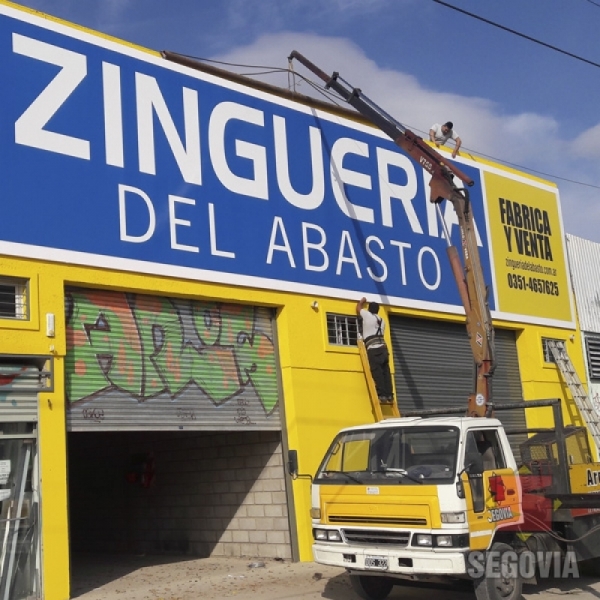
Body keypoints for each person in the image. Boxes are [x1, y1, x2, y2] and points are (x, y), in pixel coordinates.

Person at [356, 297, 394, 404]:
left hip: (374, 349)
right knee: (386, 372)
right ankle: (390, 396)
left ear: (369, 309)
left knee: (377, 372)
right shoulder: (382, 321)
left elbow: (358, 308)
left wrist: (362, 301)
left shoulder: (368, 316)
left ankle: (382, 395)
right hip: (383, 349)